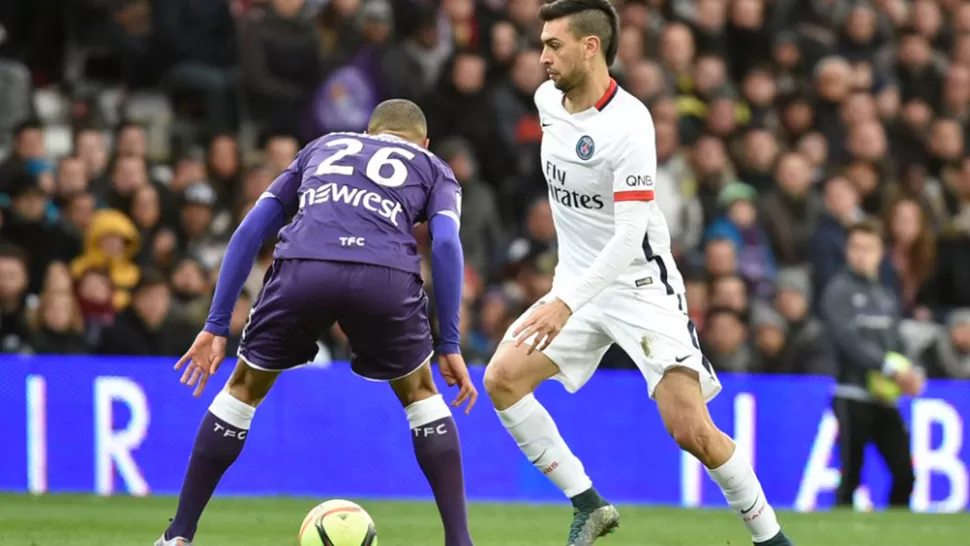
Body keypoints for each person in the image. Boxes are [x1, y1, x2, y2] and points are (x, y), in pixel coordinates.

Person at [481, 2, 794, 545]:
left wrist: (566, 302)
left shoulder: (630, 124)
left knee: (691, 430)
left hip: (640, 286)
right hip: (577, 286)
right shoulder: (545, 102)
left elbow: (628, 237)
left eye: (554, 44)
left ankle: (771, 538)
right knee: (502, 379)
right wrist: (570, 295)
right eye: (542, 44)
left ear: (590, 46)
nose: (542, 57)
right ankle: (588, 503)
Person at [157, 100, 477, 546]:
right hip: (384, 276)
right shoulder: (433, 166)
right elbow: (444, 245)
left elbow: (251, 230)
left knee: (243, 390)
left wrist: (215, 323)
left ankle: (179, 536)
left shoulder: (322, 147)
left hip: (304, 266)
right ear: (423, 142)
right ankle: (460, 542)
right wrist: (450, 343)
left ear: (368, 132)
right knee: (422, 394)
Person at [819, 219, 922, 508]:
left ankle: (896, 534)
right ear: (847, 251)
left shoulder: (886, 296)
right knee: (851, 476)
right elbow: (848, 342)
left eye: (868, 248)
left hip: (885, 399)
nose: (861, 254)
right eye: (855, 247)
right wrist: (892, 368)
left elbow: (898, 343)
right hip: (852, 396)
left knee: (905, 475)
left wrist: (913, 370)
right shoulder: (838, 291)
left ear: (880, 254)